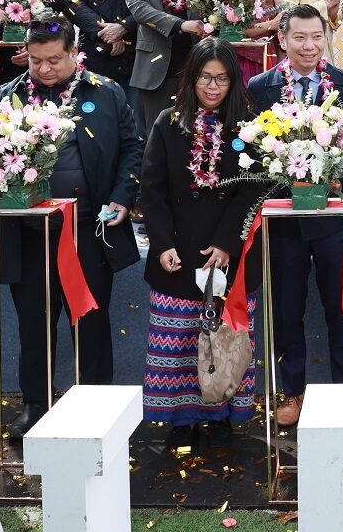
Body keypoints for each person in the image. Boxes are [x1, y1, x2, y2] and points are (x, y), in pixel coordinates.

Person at [0, 20, 141, 436]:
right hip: (29, 232)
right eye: (36, 60)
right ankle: (36, 404)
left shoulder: (105, 92)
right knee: (33, 323)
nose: (45, 69)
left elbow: (132, 149)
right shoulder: (9, 96)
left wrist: (122, 198)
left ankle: (95, 406)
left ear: (75, 52)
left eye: (55, 59)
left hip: (89, 230)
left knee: (90, 321)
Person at [140, 37, 264, 450]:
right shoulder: (168, 122)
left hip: (226, 254)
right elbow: (152, 192)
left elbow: (253, 191)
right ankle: (181, 417)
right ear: (191, 79)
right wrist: (162, 245)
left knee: (224, 338)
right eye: (205, 78)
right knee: (176, 344)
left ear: (234, 83)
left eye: (222, 79)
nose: (212, 87)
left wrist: (228, 243)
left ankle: (222, 413)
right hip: (176, 252)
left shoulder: (249, 125)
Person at [246, 4, 343, 427]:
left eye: (317, 37)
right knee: (287, 309)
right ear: (282, 39)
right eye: (300, 37)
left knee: (339, 308)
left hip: (333, 219)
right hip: (283, 221)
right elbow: (255, 154)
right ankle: (291, 392)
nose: (309, 46)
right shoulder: (261, 86)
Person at [125, 0, 206, 130]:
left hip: (196, 67)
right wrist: (181, 25)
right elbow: (141, 11)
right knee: (158, 135)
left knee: (198, 132)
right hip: (157, 72)